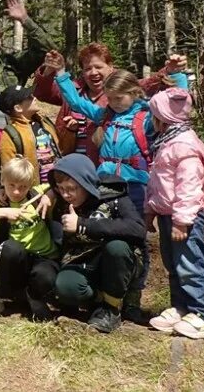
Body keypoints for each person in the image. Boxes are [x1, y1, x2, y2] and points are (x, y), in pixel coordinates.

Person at [45, 50, 187, 321]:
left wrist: (177, 74)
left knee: (137, 240)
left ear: (134, 92)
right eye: (109, 98)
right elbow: (75, 101)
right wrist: (62, 74)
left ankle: (132, 298)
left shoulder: (146, 118)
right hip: (105, 184)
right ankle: (103, 290)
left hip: (135, 185)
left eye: (118, 98)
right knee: (103, 233)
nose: (113, 103)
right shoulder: (105, 115)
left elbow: (177, 104)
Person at [32, 43, 188, 162]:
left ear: (111, 67)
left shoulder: (141, 112)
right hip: (83, 168)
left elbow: (167, 94)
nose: (93, 72)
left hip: (133, 176)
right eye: (87, 68)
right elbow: (66, 99)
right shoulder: (92, 103)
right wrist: (58, 70)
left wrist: (173, 72)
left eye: (98, 67)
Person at [145, 88, 204, 340]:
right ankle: (180, 307)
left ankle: (200, 315)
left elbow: (189, 186)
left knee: (190, 264)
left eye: (154, 115)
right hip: (166, 216)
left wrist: (183, 221)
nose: (151, 120)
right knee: (173, 265)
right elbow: (158, 182)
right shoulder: (166, 142)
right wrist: (149, 210)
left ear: (164, 117)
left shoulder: (185, 145)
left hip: (185, 220)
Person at [49, 153, 146, 333]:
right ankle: (99, 300)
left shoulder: (113, 196)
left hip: (117, 262)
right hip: (83, 261)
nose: (66, 194)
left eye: (71, 188)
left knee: (116, 247)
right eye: (61, 189)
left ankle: (112, 309)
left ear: (85, 182)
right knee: (66, 288)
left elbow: (138, 228)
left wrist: (83, 225)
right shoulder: (61, 201)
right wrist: (49, 194)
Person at [0, 157, 59, 323]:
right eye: (11, 185)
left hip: (44, 258)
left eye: (22, 187)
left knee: (46, 275)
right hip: (17, 261)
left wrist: (49, 194)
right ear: (2, 181)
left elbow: (58, 182)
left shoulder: (36, 195)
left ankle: (32, 296)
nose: (16, 192)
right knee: (11, 248)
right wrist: (2, 212)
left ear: (30, 184)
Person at [0, 85, 62, 184]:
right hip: (36, 190)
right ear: (18, 108)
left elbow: (60, 148)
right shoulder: (11, 134)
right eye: (29, 98)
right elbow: (8, 168)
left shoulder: (44, 122)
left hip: (59, 182)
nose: (34, 98)